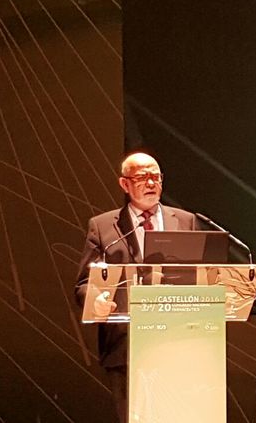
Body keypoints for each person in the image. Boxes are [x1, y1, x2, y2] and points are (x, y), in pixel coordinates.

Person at [74, 152, 197, 423]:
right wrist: (96, 301)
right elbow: (84, 284)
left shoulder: (186, 221)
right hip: (125, 344)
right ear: (125, 184)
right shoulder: (103, 226)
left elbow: (199, 277)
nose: (151, 183)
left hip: (177, 342)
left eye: (156, 176)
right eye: (142, 177)